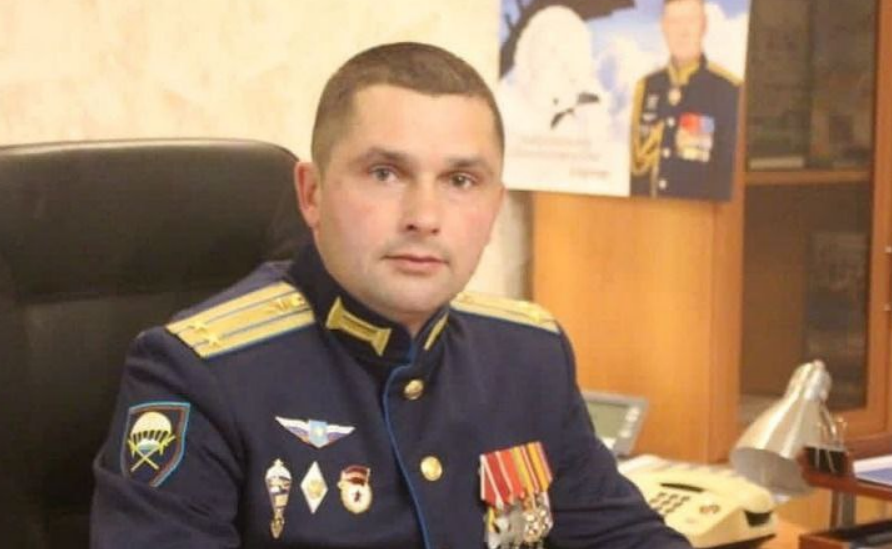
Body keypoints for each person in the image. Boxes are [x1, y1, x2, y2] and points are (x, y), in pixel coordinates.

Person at [91, 42, 691, 548]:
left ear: (494, 207)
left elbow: (624, 535)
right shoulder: (198, 372)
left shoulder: (527, 354)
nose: (424, 216)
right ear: (312, 194)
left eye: (460, 180)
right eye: (385, 173)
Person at [629, 0, 740, 201]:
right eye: (674, 21)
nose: (683, 31)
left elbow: (726, 176)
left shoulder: (728, 91)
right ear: (663, 27)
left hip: (700, 215)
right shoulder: (647, 87)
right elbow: (637, 174)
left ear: (704, 25)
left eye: (690, 20)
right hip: (649, 214)